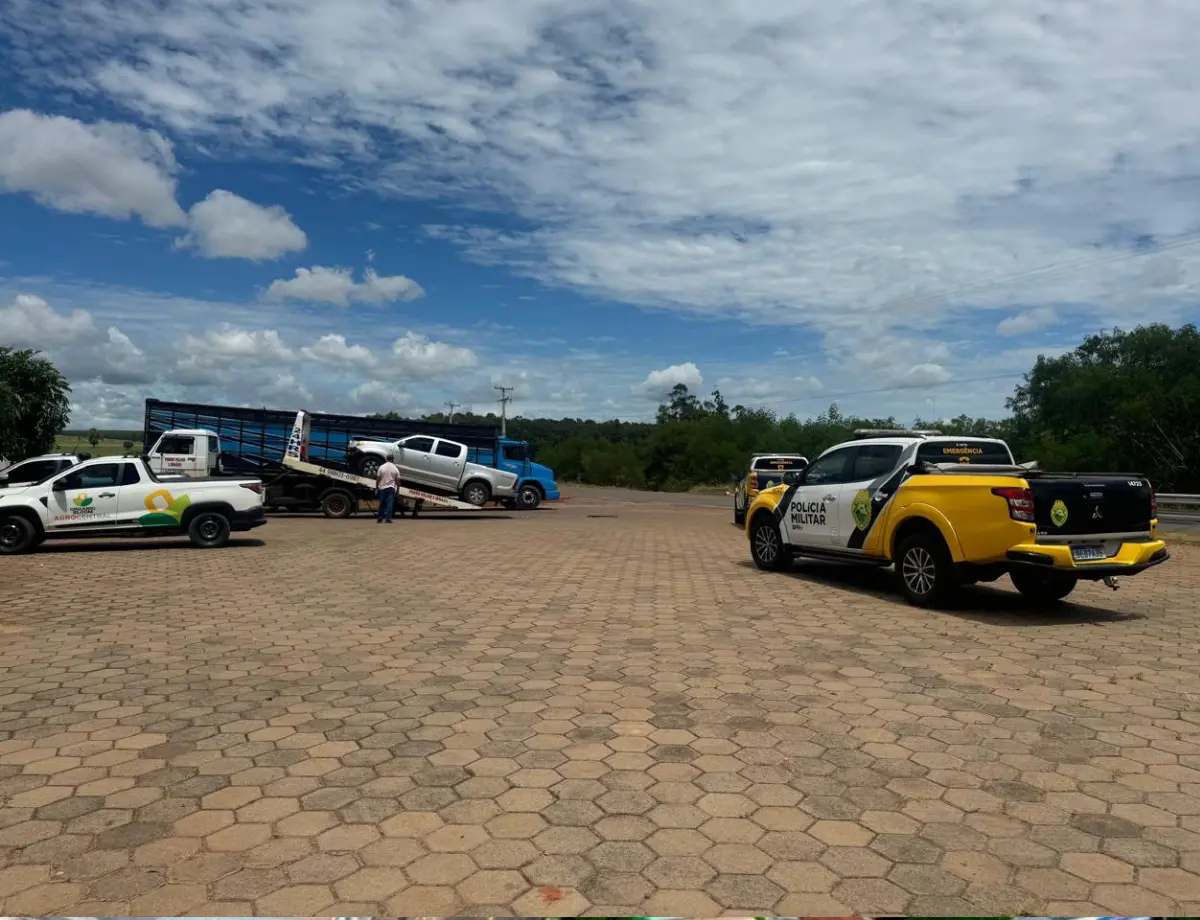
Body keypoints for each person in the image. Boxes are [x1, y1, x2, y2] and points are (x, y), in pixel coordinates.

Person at [375, 453, 401, 523]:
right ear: (392, 460)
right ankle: (388, 519)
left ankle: (380, 518)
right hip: (391, 488)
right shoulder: (395, 468)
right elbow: (398, 481)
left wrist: (377, 488)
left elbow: (378, 479)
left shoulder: (381, 467)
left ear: (386, 459)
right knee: (390, 504)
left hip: (382, 488)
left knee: (382, 503)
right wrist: (398, 490)